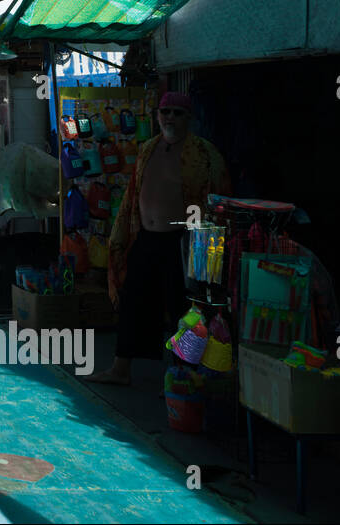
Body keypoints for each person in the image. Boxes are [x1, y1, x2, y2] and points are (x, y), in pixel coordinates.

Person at [86, 91, 231, 385]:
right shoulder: (148, 149)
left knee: (184, 309)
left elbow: (219, 203)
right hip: (147, 237)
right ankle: (120, 368)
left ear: (189, 118)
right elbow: (131, 195)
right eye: (166, 112)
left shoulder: (205, 155)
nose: (171, 118)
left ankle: (184, 374)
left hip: (183, 243)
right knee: (132, 301)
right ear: (157, 116)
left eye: (178, 113)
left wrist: (210, 251)